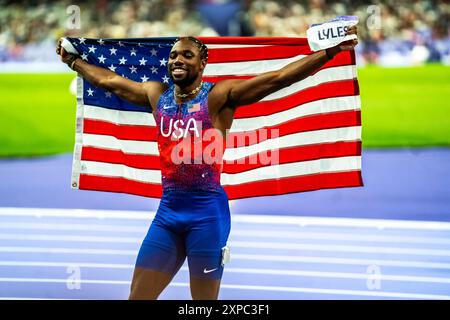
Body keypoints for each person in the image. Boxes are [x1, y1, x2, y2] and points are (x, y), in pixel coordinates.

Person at [56, 27, 358, 300]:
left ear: (202, 64)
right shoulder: (156, 94)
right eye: (174, 55)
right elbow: (111, 81)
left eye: (187, 55)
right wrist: (73, 62)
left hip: (208, 217)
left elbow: (278, 78)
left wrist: (329, 52)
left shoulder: (218, 97)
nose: (178, 60)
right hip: (168, 214)